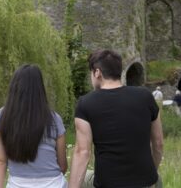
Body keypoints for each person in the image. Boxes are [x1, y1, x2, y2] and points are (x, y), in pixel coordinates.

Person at [70, 49, 164, 188]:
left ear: (97, 73)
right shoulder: (145, 96)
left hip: (107, 184)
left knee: (82, 180)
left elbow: (83, 152)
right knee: (158, 180)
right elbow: (158, 143)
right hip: (145, 182)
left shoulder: (86, 103)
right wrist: (151, 175)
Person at [0, 65, 67, 188]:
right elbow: (62, 166)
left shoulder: (0, 117)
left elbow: (0, 162)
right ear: (40, 89)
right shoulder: (54, 119)